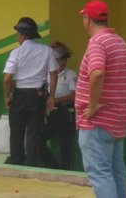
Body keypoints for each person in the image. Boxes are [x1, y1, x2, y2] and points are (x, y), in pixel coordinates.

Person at [75, 0, 126, 198]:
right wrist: (121, 95)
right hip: (117, 118)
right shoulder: (118, 41)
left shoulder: (97, 43)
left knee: (99, 172)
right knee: (116, 169)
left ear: (87, 19)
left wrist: (93, 104)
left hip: (97, 121)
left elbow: (97, 72)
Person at [3, 16, 59, 167]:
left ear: (22, 35)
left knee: (16, 130)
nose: (17, 37)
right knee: (34, 132)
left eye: (17, 34)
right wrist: (51, 97)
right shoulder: (47, 50)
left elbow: (7, 78)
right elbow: (53, 75)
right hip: (38, 96)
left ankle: (16, 160)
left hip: (19, 95)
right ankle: (31, 162)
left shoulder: (16, 52)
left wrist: (7, 96)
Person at [41, 41, 77, 170]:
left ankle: (66, 172)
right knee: (38, 140)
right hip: (51, 114)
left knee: (66, 146)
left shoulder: (70, 74)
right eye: (60, 59)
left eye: (65, 59)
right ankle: (53, 168)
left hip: (66, 113)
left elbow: (75, 95)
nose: (63, 62)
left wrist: (55, 100)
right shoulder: (46, 75)